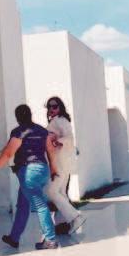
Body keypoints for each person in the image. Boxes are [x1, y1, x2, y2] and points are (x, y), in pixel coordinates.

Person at [0, 104, 60, 250]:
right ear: (30, 114)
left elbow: (8, 153)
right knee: (23, 205)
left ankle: (50, 239)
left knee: (40, 205)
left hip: (29, 173)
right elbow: (50, 150)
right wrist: (53, 169)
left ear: (18, 117)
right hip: (42, 170)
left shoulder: (19, 131)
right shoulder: (41, 130)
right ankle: (14, 238)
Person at [44, 97, 85, 235]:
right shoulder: (57, 121)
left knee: (51, 191)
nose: (51, 109)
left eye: (54, 106)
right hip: (62, 162)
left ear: (60, 107)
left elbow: (69, 138)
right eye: (49, 107)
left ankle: (75, 217)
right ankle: (63, 224)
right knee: (61, 193)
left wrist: (58, 141)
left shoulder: (60, 120)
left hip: (60, 163)